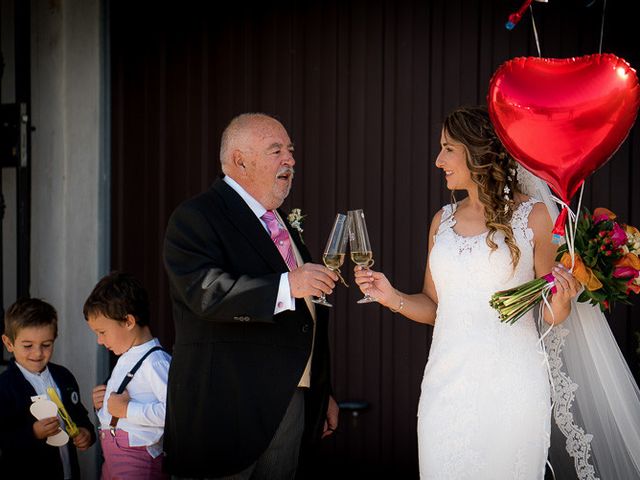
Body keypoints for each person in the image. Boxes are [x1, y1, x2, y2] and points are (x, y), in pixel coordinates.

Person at [354, 105, 581, 479]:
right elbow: (433, 306)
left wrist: (561, 299)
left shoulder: (535, 217)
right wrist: (389, 295)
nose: (438, 159)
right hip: (445, 385)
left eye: (447, 148)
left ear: (477, 152)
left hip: (512, 384)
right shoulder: (441, 221)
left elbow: (549, 314)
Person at [163, 112, 339, 479]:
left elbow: (306, 316)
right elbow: (206, 293)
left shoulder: (283, 221)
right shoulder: (197, 216)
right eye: (276, 151)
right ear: (240, 160)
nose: (290, 159)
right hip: (226, 411)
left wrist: (321, 391)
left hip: (290, 402)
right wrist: (287, 285)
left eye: (290, 150)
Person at [84, 271, 171, 480]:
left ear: (128, 321)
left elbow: (173, 413)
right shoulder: (126, 356)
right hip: (112, 455)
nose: (99, 341)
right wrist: (102, 406)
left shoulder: (155, 361)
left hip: (138, 458)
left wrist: (126, 409)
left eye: (102, 332)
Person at [0, 298, 95, 479]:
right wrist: (32, 432)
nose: (37, 353)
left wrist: (86, 433)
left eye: (46, 345)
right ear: (8, 343)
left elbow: (80, 415)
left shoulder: (64, 376)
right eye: (28, 346)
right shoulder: (5, 386)